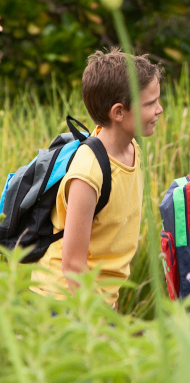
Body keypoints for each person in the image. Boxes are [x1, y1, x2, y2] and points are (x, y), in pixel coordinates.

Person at [32, 48, 164, 307]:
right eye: (150, 103)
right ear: (118, 112)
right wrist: (99, 319)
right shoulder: (88, 173)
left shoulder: (131, 148)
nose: (159, 109)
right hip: (64, 301)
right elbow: (72, 264)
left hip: (98, 296)